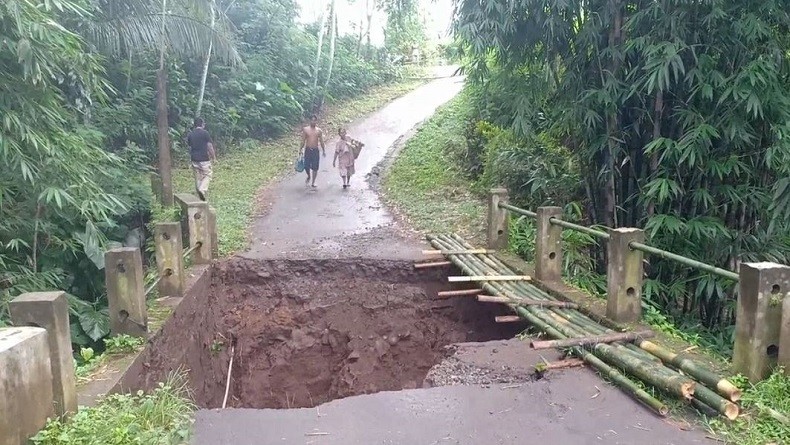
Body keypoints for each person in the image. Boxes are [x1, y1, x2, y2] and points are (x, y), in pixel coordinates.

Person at [186, 117, 216, 201]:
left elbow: (190, 146)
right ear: (202, 124)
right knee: (208, 174)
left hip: (194, 159)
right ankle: (202, 190)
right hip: (204, 159)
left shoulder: (190, 134)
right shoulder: (205, 133)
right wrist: (214, 157)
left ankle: (199, 196)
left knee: (198, 176)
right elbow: (209, 146)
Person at [300, 114, 326, 188]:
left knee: (315, 167)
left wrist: (323, 150)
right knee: (306, 166)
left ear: (316, 121)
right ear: (310, 121)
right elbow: (303, 140)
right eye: (312, 120)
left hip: (315, 150)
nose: (313, 121)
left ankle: (313, 182)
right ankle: (308, 175)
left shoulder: (319, 131)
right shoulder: (306, 129)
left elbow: (321, 141)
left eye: (315, 120)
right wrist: (300, 149)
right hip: (308, 150)